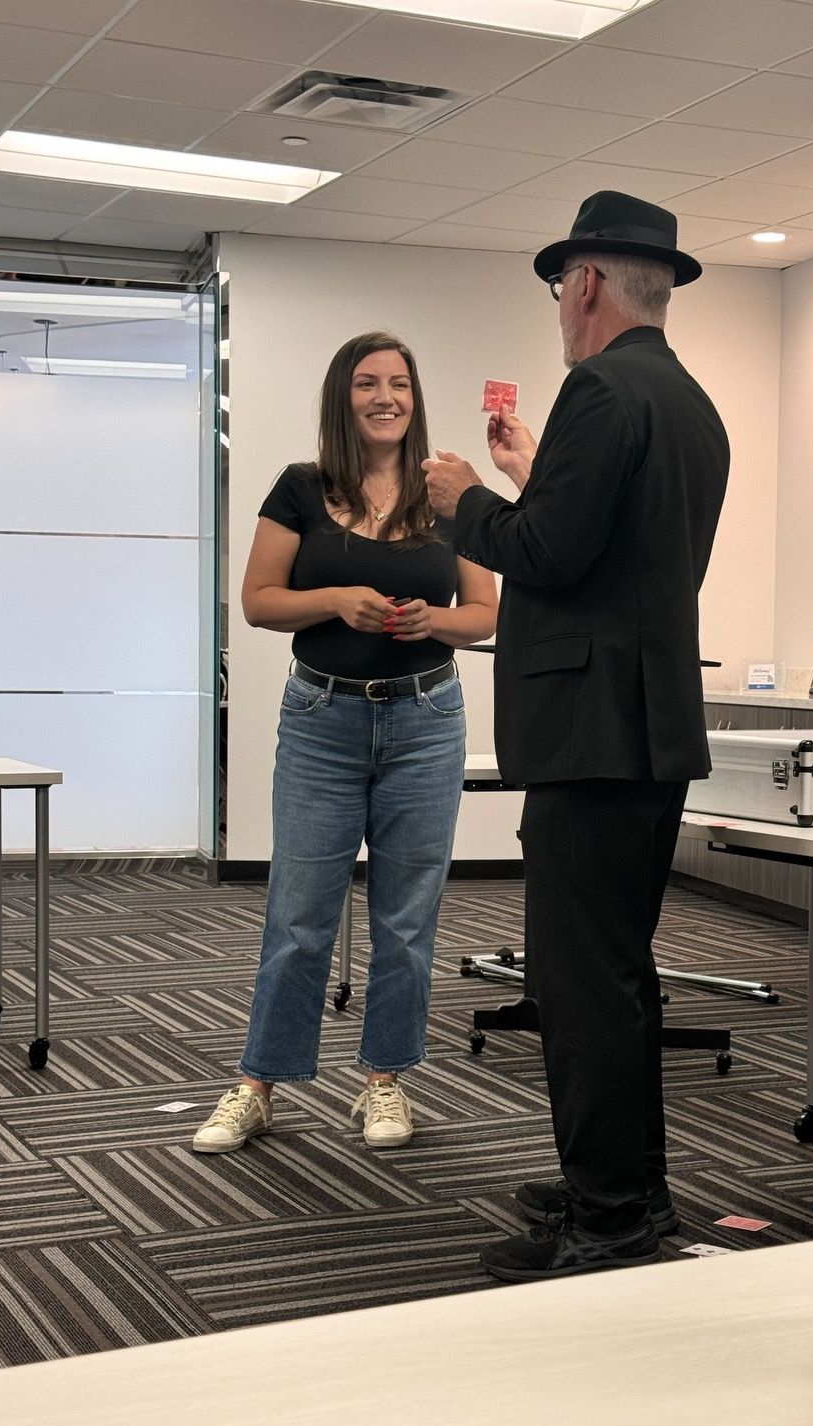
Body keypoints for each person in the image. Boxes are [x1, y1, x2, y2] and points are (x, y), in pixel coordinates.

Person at [424, 192, 729, 1281]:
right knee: (613, 974)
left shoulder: (600, 387)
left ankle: (612, 1218)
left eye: (562, 289)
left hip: (591, 736)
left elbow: (546, 554)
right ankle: (623, 1187)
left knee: (579, 981)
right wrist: (529, 474)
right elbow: (607, 548)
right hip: (644, 734)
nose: (561, 309)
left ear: (587, 283)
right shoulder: (687, 401)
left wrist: (467, 498)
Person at [194, 332, 497, 1156]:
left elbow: (485, 611)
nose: (384, 397)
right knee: (298, 915)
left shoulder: (446, 492)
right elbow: (258, 602)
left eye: (399, 383)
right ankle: (258, 1083)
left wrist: (432, 621)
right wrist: (336, 601)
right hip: (322, 720)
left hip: (425, 722)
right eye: (367, 384)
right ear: (343, 396)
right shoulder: (301, 487)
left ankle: (384, 1080)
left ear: (414, 396)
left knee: (405, 920)